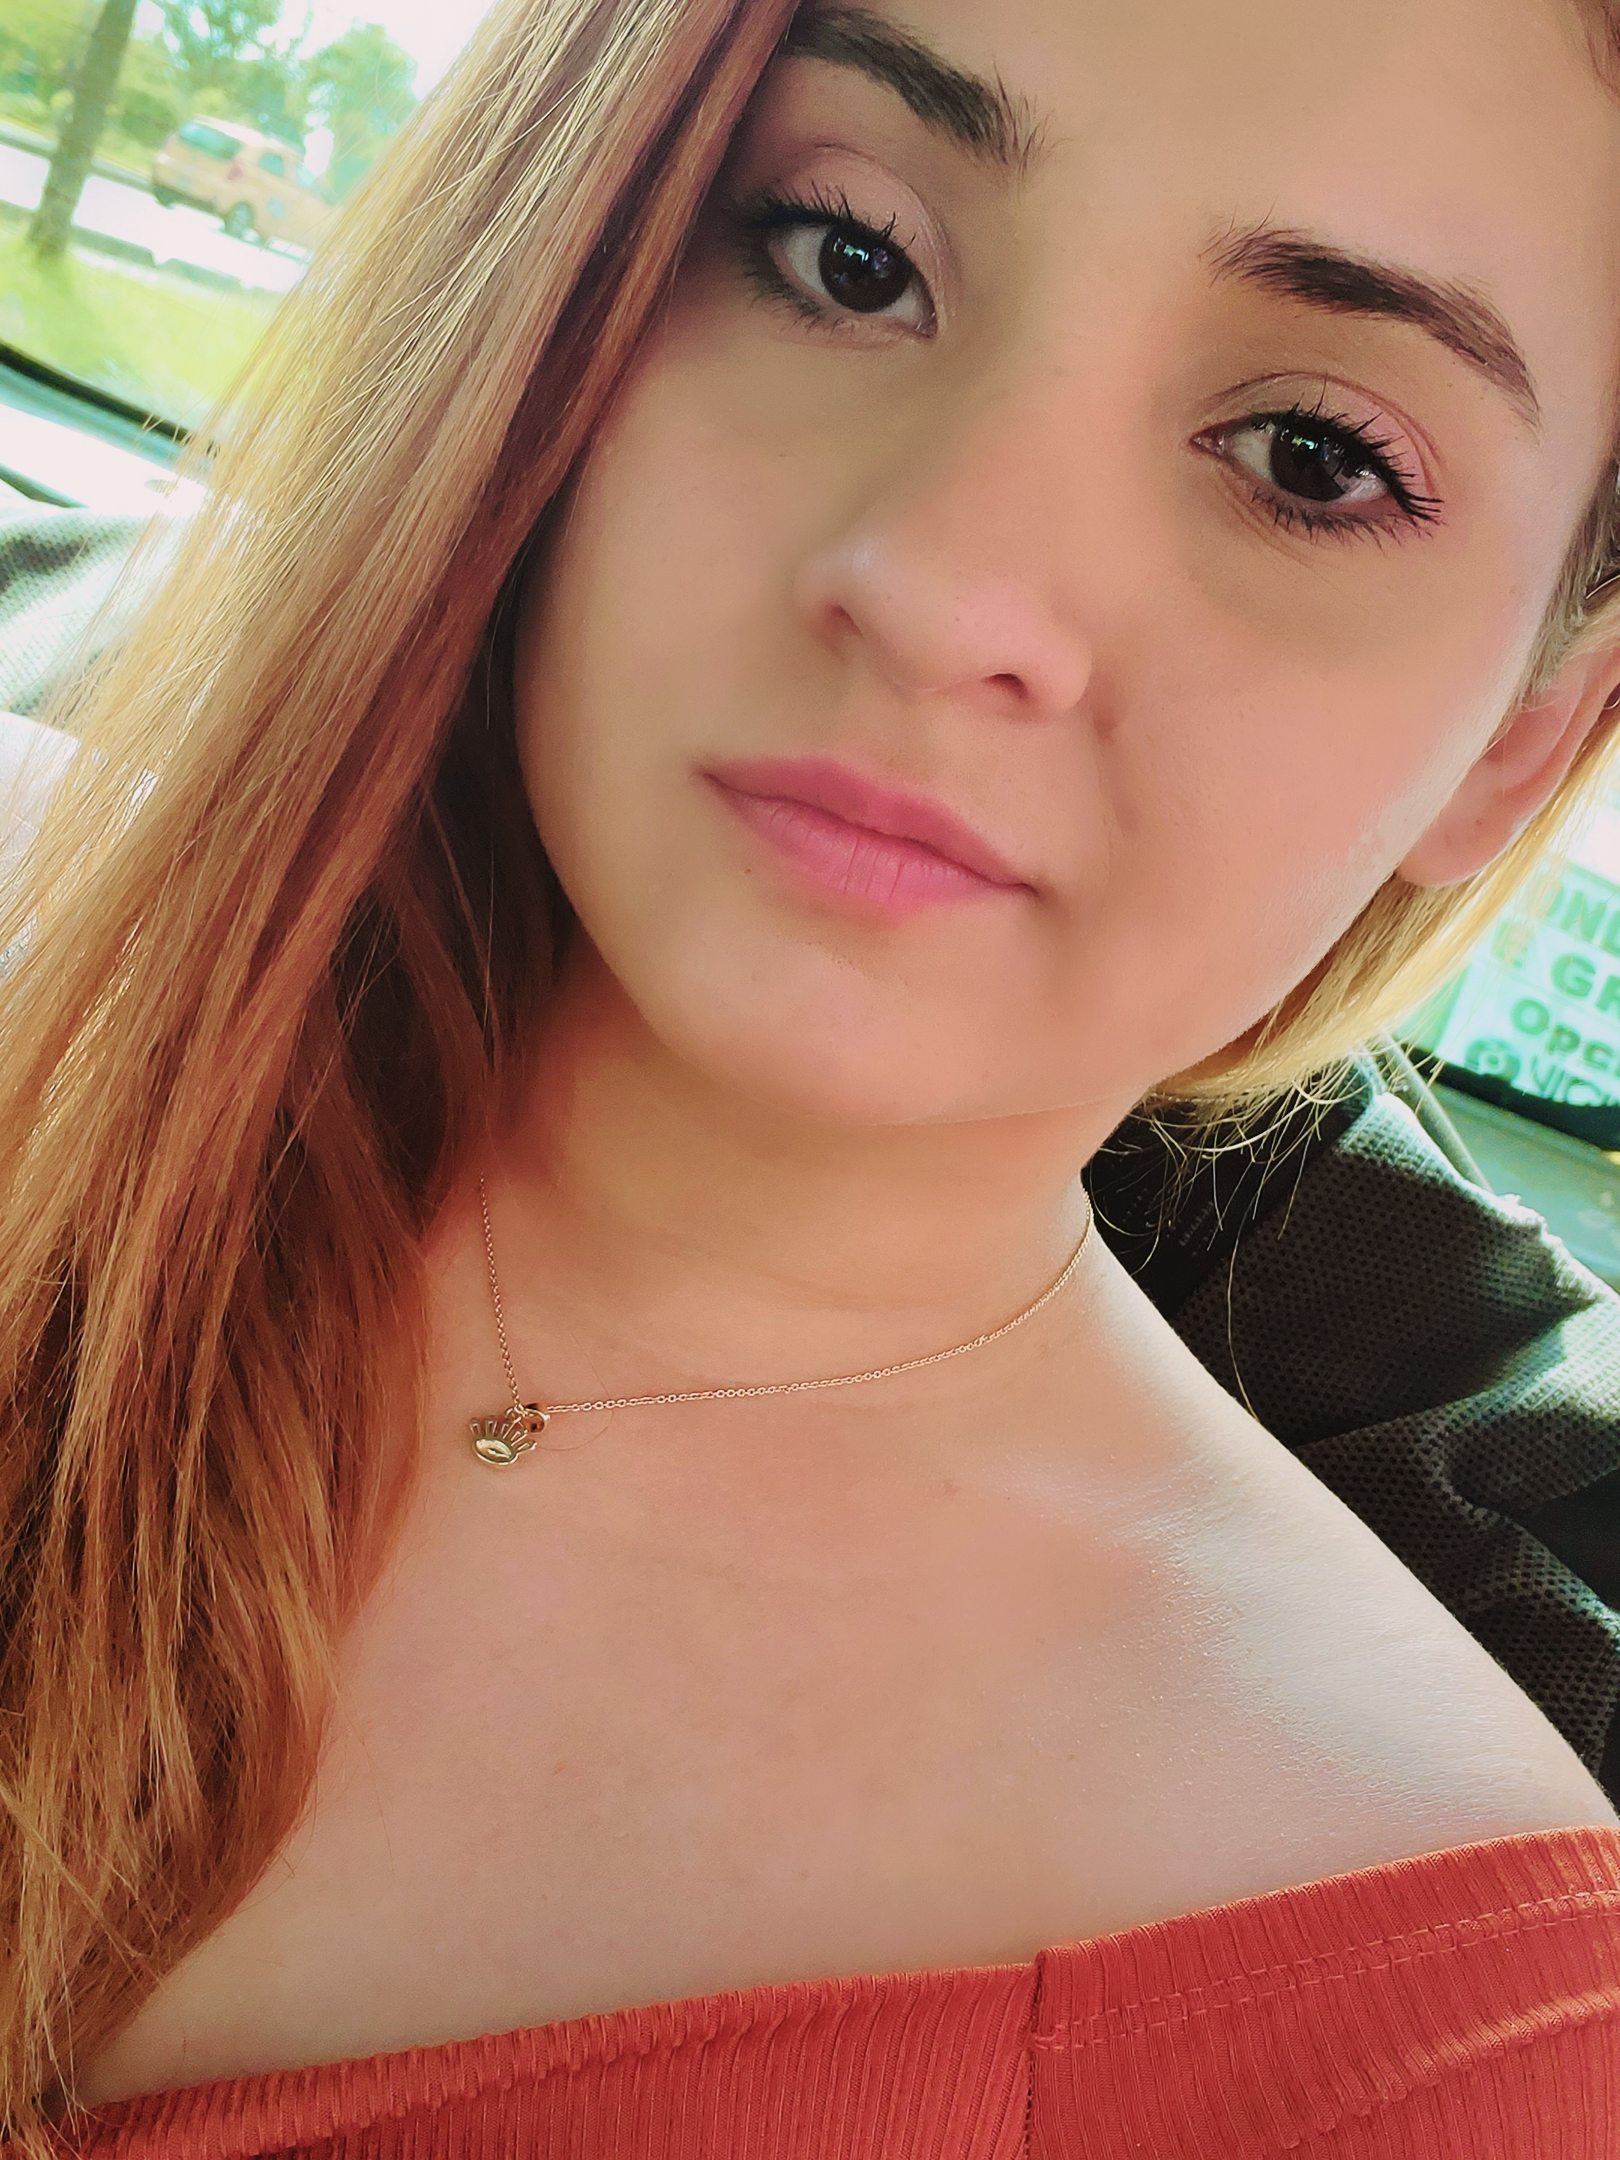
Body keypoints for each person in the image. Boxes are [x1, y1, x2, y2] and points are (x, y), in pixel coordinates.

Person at [4, 0, 1620, 2151]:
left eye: (1311, 458)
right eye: (850, 258)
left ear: (1523, 739)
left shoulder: (1455, 2045)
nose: (946, 589)